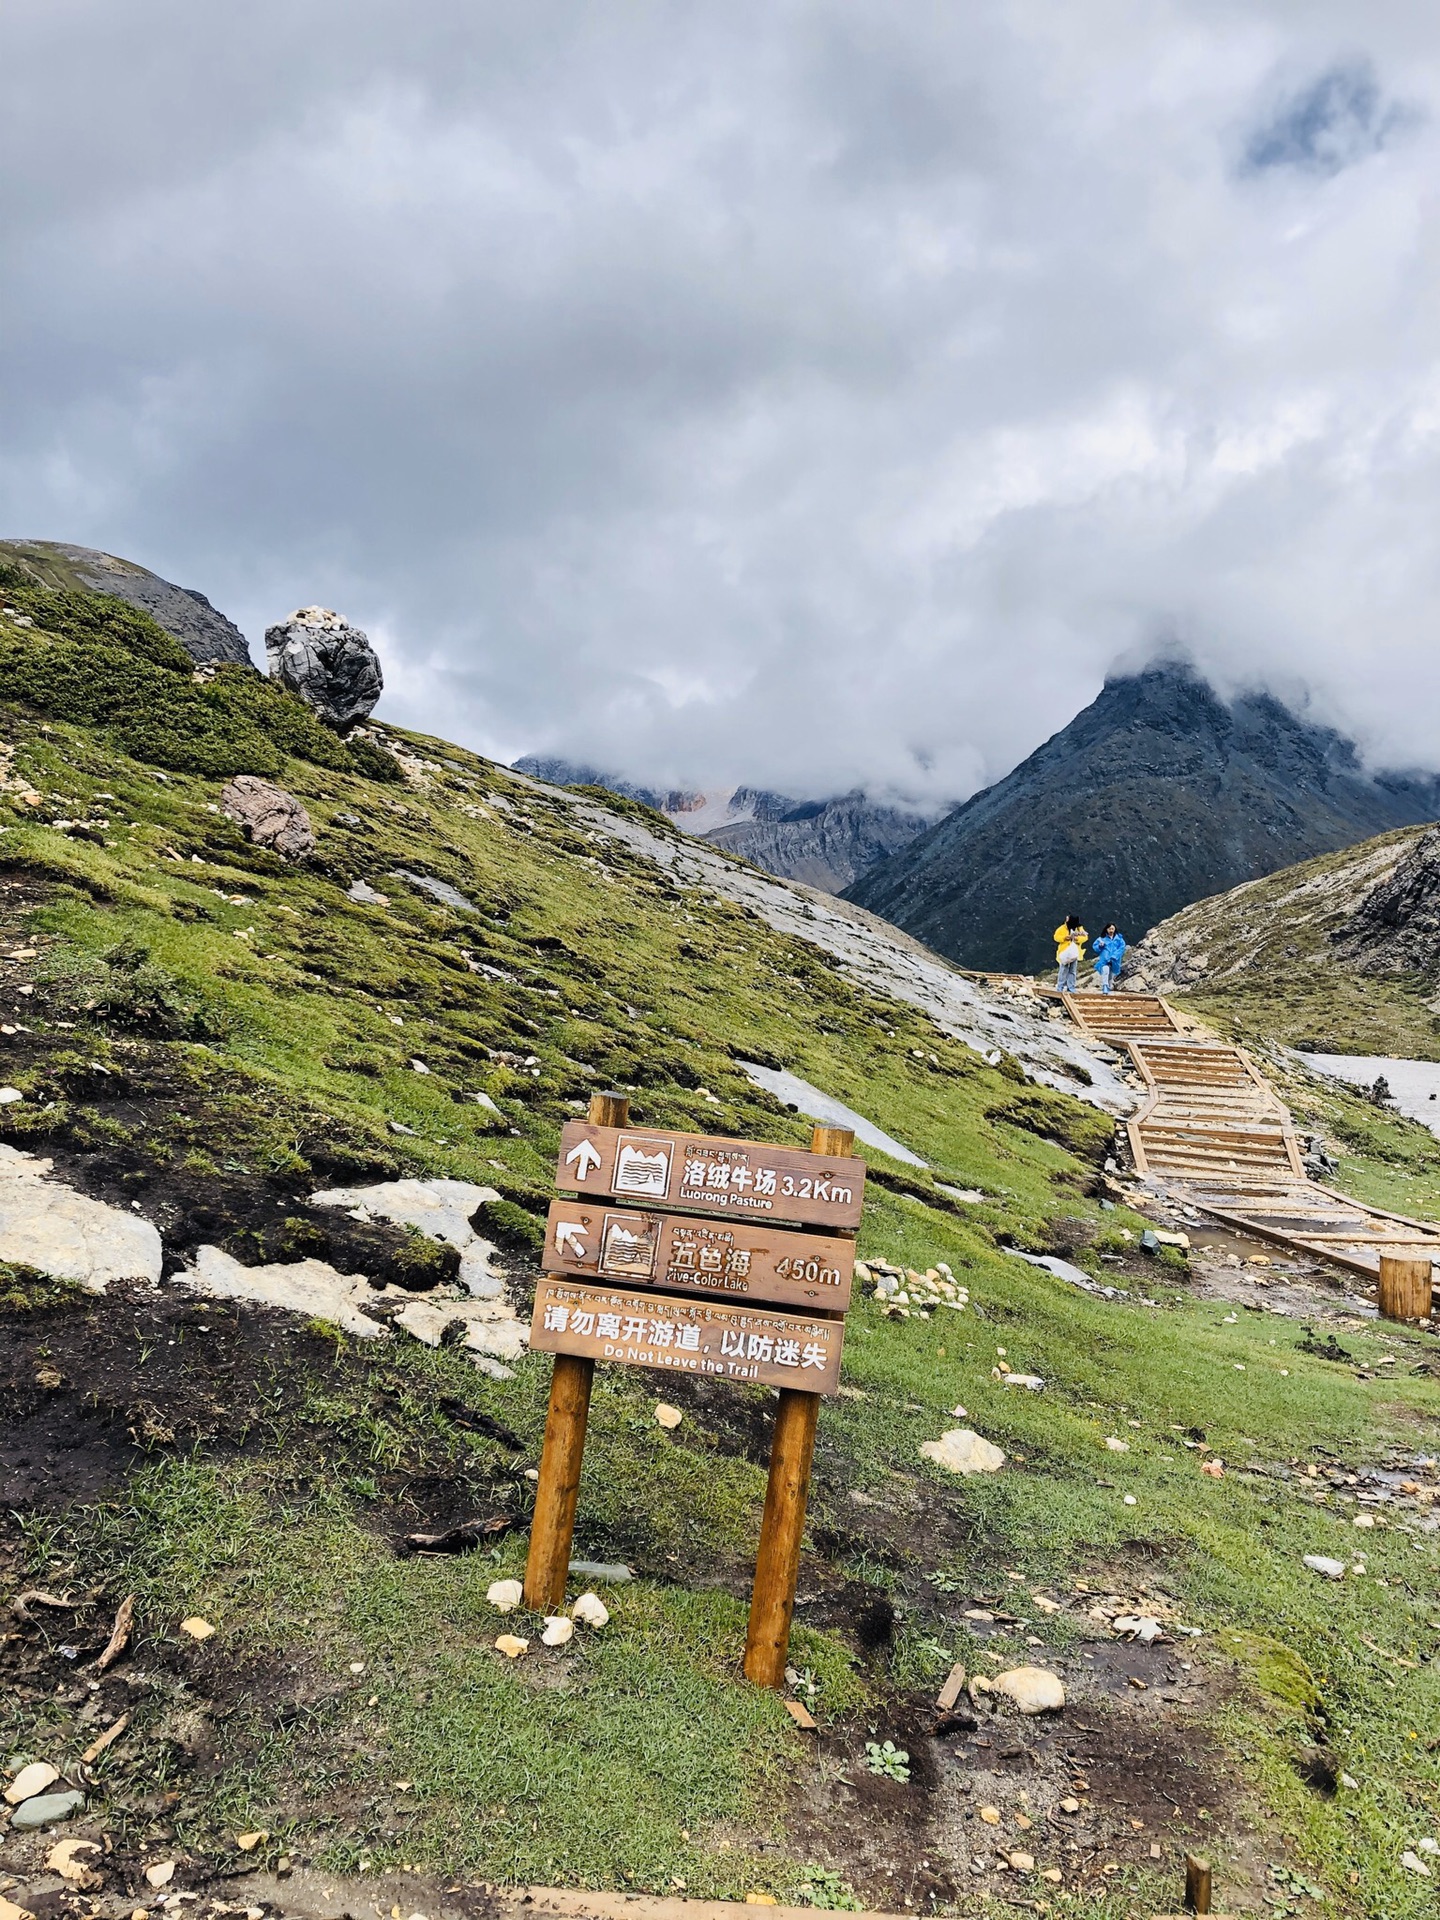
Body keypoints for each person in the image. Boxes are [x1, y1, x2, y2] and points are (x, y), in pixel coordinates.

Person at [1053, 914, 1087, 992]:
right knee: (1063, 969)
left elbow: (1085, 937)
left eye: (1068, 919)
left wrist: (1077, 938)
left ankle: (1071, 987)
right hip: (1064, 951)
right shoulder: (1062, 928)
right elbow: (1056, 937)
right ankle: (1060, 987)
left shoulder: (1079, 929)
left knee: (1072, 970)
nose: (1066, 920)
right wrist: (1064, 938)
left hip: (1074, 952)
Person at [1092, 923, 1126, 994]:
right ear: (1106, 929)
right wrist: (1100, 946)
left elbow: (1122, 948)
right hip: (1105, 959)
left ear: (1115, 929)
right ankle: (1105, 986)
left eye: (1112, 929)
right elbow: (1095, 947)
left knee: (1111, 975)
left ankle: (1108, 987)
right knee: (1105, 971)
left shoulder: (1119, 939)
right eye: (1109, 929)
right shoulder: (1102, 939)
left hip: (1114, 960)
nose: (1111, 930)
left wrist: (1114, 956)